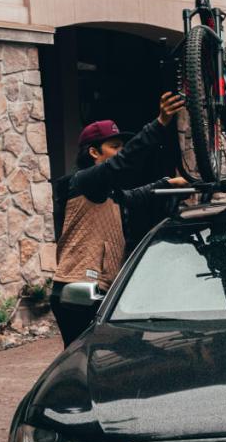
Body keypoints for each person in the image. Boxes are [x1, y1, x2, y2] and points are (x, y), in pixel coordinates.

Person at [49, 92, 186, 345]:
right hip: (77, 292)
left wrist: (168, 184)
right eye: (114, 147)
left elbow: (136, 196)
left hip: (99, 291)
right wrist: (159, 124)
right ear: (93, 152)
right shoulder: (84, 181)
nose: (120, 152)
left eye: (121, 146)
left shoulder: (109, 193)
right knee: (91, 360)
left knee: (119, 357)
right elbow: (124, 163)